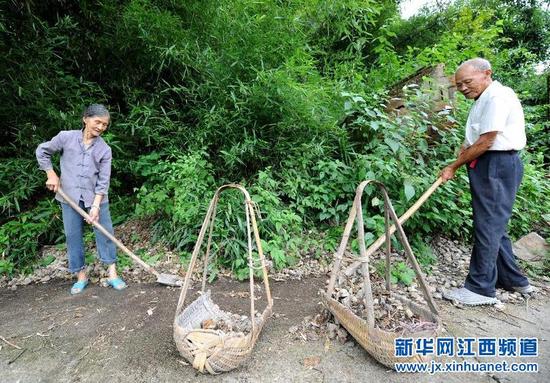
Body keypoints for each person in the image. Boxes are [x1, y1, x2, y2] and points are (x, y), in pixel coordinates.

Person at [440, 58, 533, 306]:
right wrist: (461, 156)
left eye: (467, 82)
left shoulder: (497, 97)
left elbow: (487, 140)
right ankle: (514, 280)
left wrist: (453, 166)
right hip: (489, 164)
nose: (462, 88)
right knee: (494, 225)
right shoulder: (483, 99)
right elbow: (474, 140)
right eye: (458, 85)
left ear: (487, 74)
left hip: (496, 164)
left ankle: (480, 289)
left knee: (489, 225)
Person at [36, 104, 127, 294]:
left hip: (97, 198)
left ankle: (112, 274)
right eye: (98, 122)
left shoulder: (105, 149)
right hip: (68, 196)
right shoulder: (65, 138)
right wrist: (51, 174)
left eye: (105, 124)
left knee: (105, 233)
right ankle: (81, 276)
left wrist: (95, 206)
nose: (101, 127)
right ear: (85, 118)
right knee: (72, 235)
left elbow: (103, 180)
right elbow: (42, 151)